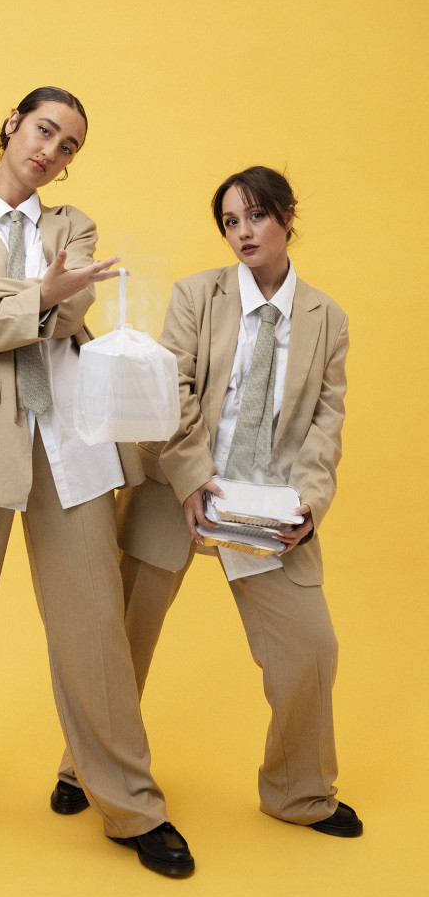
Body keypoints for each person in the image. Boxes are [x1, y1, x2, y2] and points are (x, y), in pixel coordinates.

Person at [0, 87, 194, 878]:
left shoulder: (71, 226)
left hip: (70, 439)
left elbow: (59, 309)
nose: (51, 151)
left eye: (68, 146)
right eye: (45, 130)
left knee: (94, 627)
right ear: (13, 124)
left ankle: (129, 803)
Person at [61, 166, 363, 838]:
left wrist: (310, 503)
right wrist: (194, 479)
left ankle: (298, 792)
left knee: (310, 648)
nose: (243, 232)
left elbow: (325, 424)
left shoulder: (328, 319)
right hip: (177, 491)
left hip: (267, 503)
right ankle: (79, 768)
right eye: (230, 221)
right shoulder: (198, 295)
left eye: (255, 216)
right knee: (120, 645)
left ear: (287, 217)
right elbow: (177, 391)